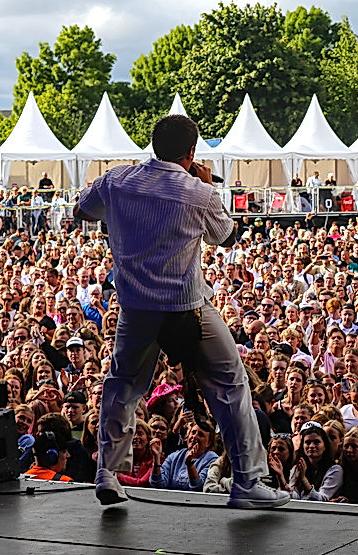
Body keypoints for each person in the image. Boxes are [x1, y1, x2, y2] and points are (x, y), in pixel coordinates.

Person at [77, 114, 288, 509]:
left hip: (136, 307)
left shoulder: (116, 180)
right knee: (229, 385)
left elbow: (83, 211)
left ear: (153, 144)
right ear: (191, 152)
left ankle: (107, 472)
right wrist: (206, 185)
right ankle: (247, 482)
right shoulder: (198, 192)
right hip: (185, 306)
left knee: (122, 384)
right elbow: (226, 236)